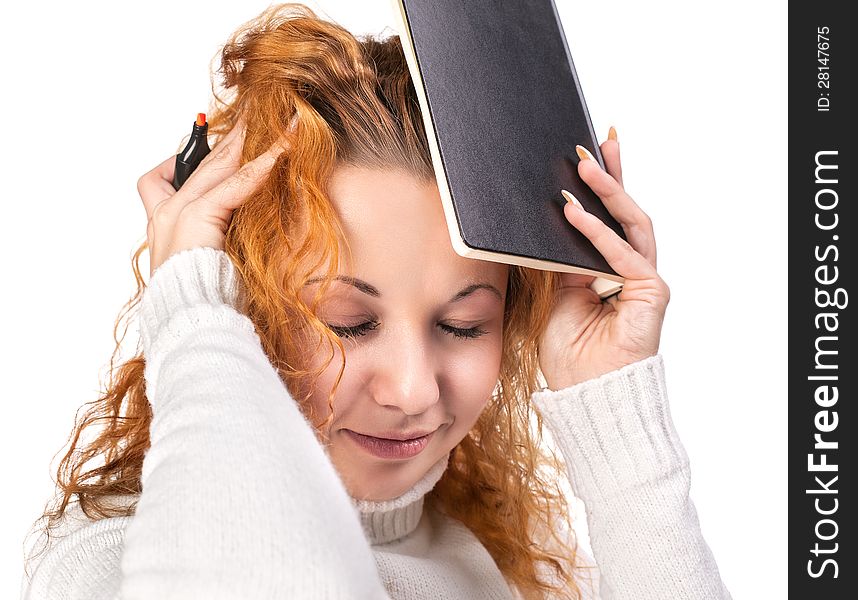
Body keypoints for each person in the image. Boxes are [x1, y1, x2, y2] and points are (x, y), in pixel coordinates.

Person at [20, 3, 732, 599]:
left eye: (464, 325)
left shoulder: (504, 563)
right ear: (245, 307)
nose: (413, 389)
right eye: (349, 324)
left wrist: (611, 409)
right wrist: (192, 311)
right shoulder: (104, 564)